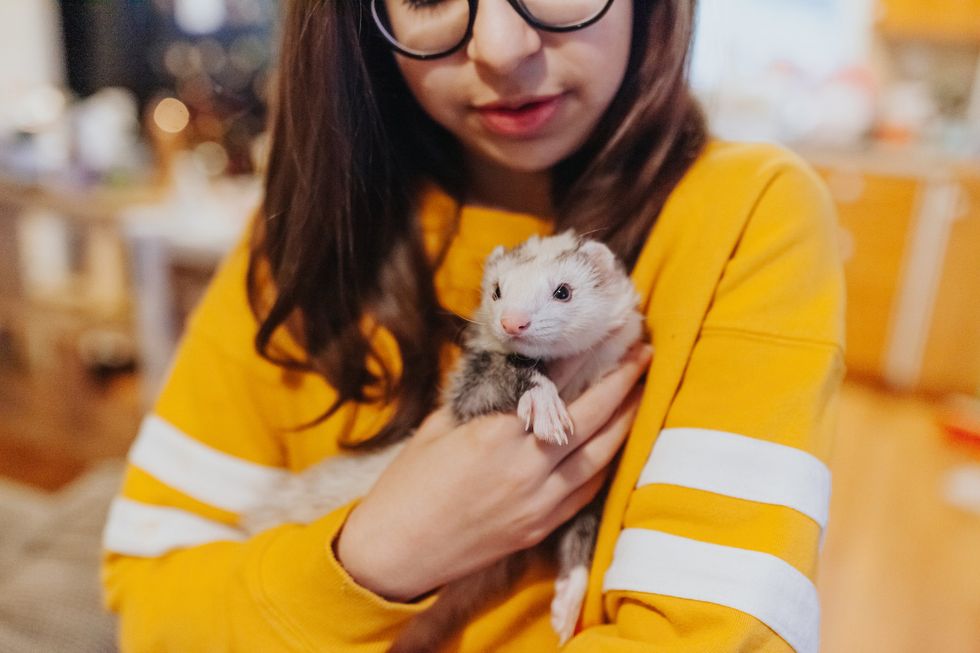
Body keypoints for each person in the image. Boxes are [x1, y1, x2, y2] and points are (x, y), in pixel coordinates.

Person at [101, 0, 845, 651]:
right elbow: (154, 601)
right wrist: (381, 551)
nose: (500, 47)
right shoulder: (298, 239)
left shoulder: (750, 217)